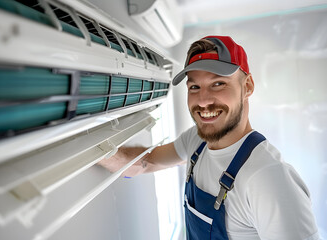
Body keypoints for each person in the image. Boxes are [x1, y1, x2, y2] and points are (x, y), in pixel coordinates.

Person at [98, 35, 319, 240]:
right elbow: (145, 163)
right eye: (194, 86)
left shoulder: (269, 179)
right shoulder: (197, 142)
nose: (203, 101)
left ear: (247, 86)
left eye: (218, 84)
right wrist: (85, 150)